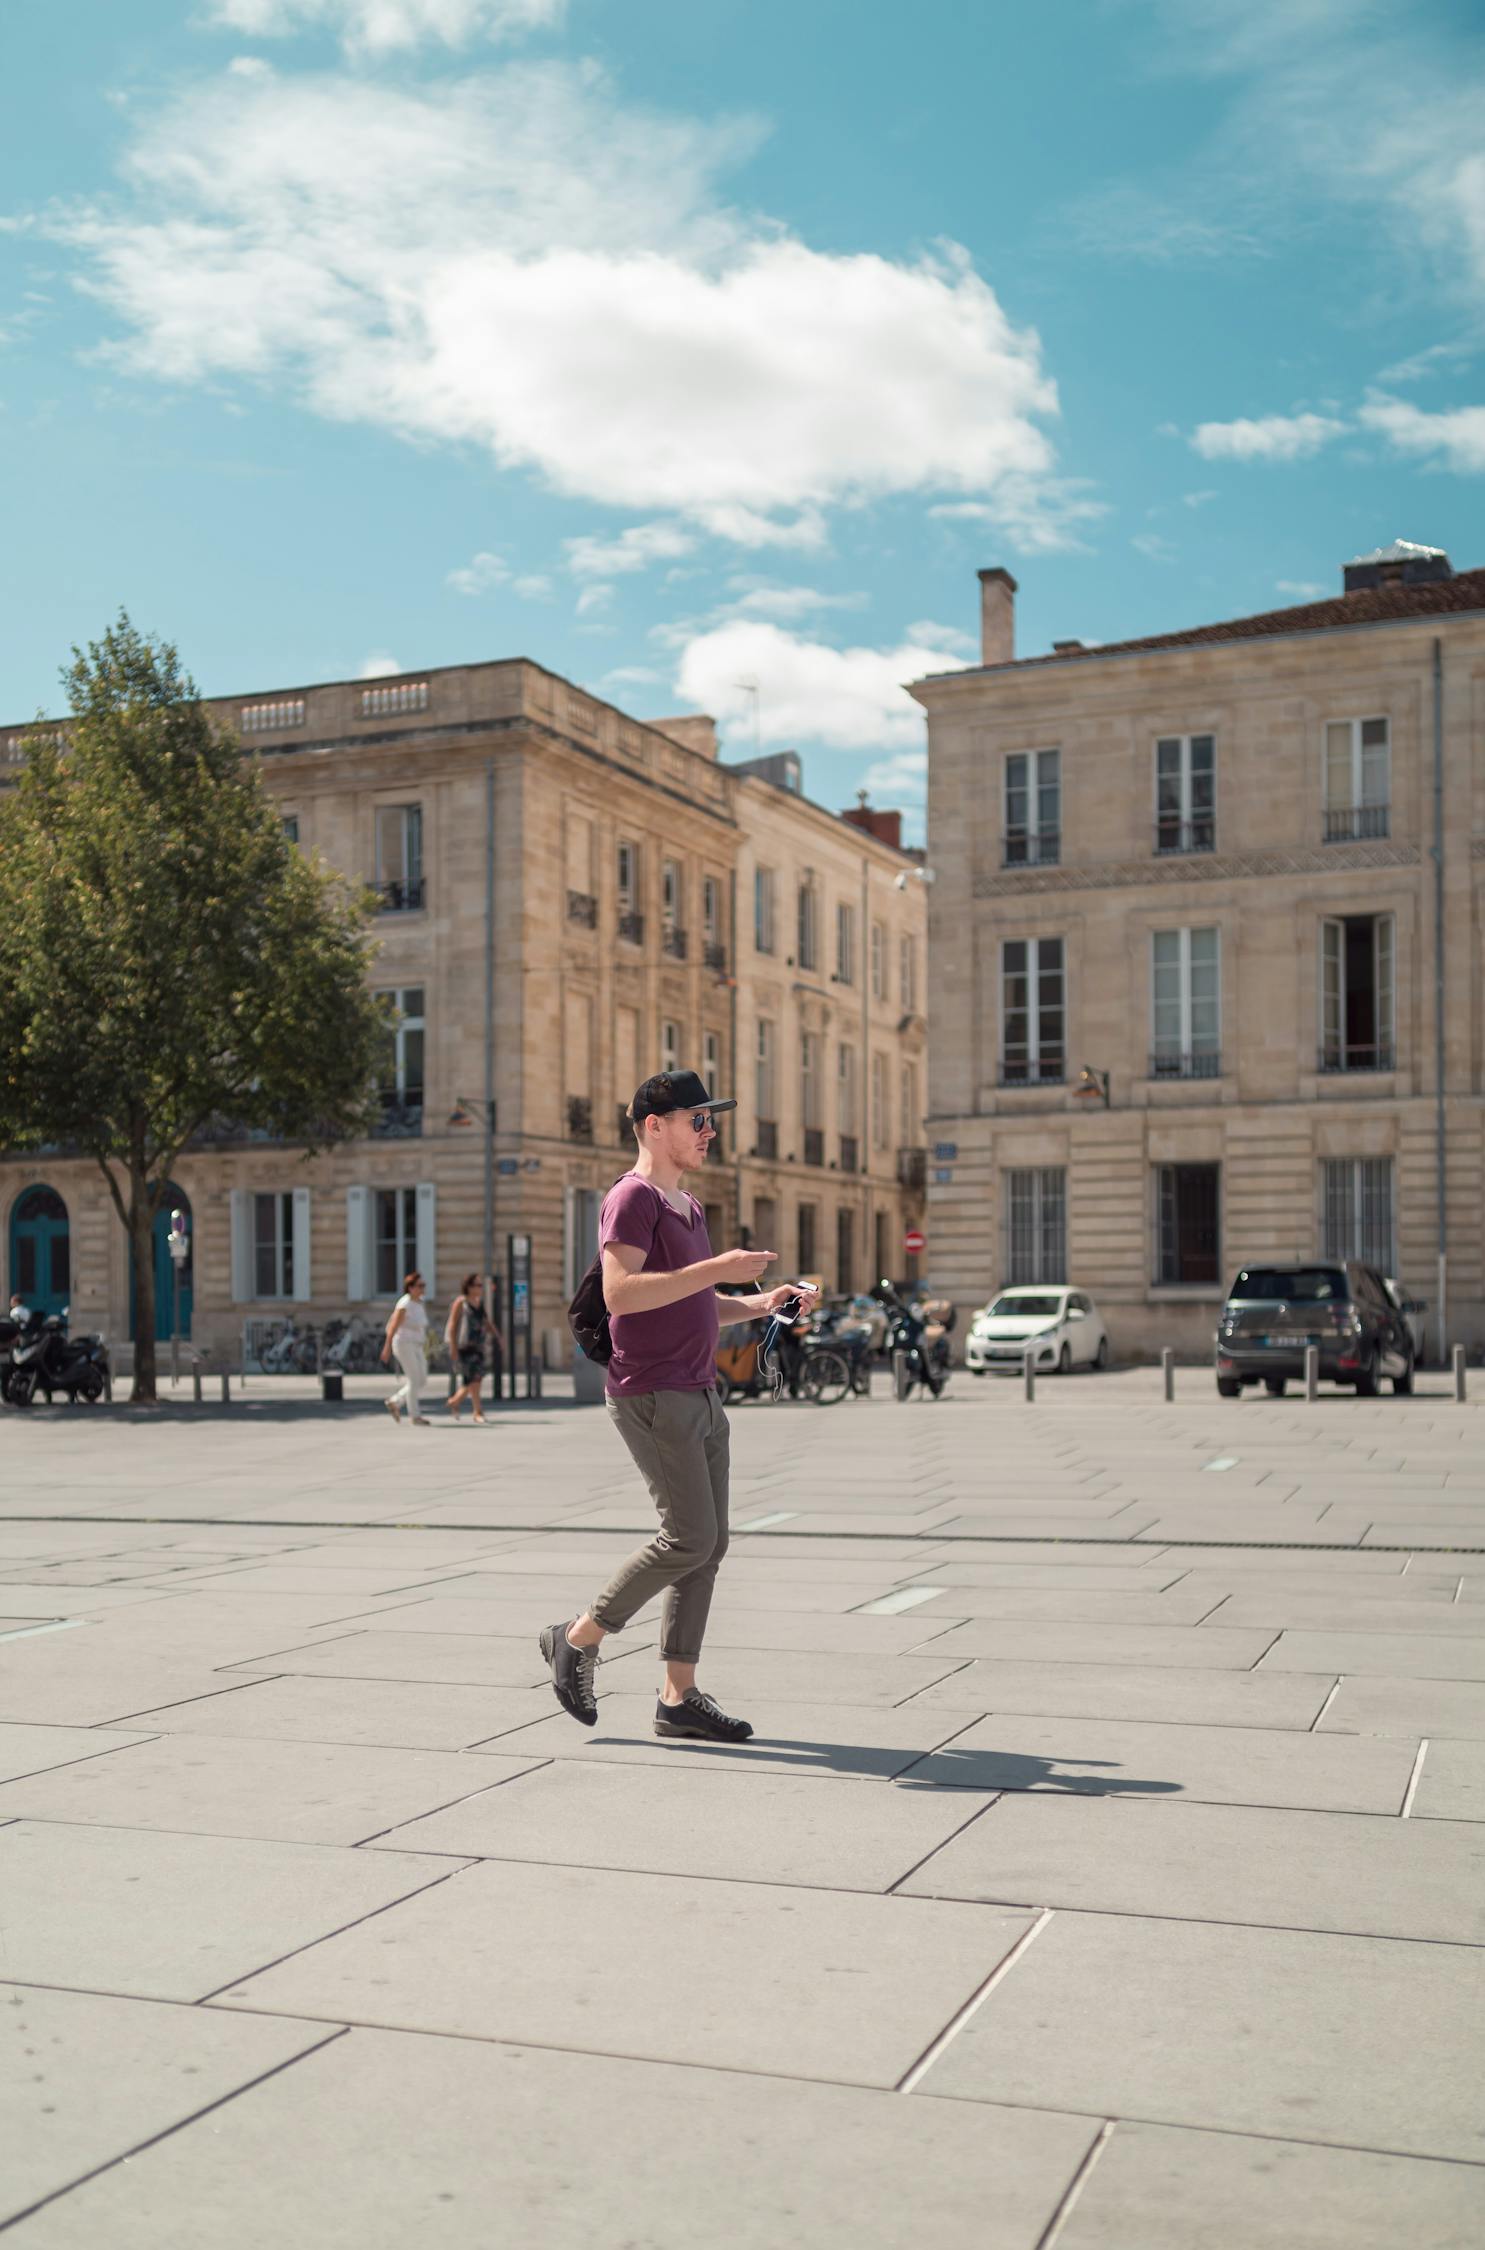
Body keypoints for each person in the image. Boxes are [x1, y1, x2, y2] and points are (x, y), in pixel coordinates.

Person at [539, 1069, 818, 1742]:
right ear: (654, 1126)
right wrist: (715, 1268)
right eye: (698, 1119)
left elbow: (694, 1300)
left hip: (698, 1390)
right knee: (687, 1536)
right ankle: (575, 1637)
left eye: (710, 1119)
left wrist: (758, 1301)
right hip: (652, 1393)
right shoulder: (632, 1199)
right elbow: (622, 1294)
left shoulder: (687, 1207)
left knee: (709, 1544)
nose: (709, 1130)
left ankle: (677, 1695)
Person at [445, 1272, 503, 1424]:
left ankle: (455, 1402)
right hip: (464, 1346)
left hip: (478, 1345)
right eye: (477, 1285)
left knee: (473, 1379)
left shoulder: (479, 1302)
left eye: (481, 1285)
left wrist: (498, 1336)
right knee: (474, 1378)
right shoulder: (461, 1302)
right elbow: (452, 1325)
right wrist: (452, 1347)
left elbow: (486, 1322)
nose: (480, 1288)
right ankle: (477, 1411)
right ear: (469, 1287)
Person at [380, 1270, 430, 1426]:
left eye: (424, 1285)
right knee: (414, 1379)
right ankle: (415, 1415)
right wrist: (387, 1347)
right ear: (410, 1287)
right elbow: (393, 1326)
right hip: (403, 1344)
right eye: (419, 1286)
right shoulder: (405, 1304)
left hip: (417, 1345)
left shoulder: (419, 1303)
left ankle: (395, 1401)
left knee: (421, 1379)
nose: (422, 1289)